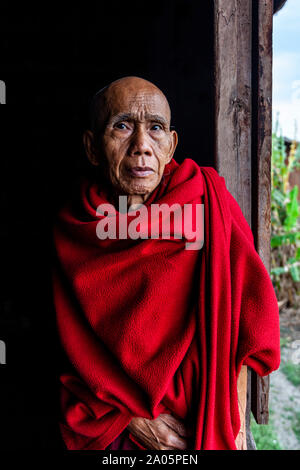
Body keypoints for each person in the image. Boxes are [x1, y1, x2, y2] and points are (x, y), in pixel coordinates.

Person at [52, 76, 280, 450]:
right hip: (119, 430)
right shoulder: (76, 227)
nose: (141, 146)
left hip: (213, 422)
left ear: (171, 144)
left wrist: (233, 421)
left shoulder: (204, 196)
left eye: (155, 128)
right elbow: (73, 350)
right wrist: (134, 417)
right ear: (93, 147)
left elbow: (251, 317)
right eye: (122, 126)